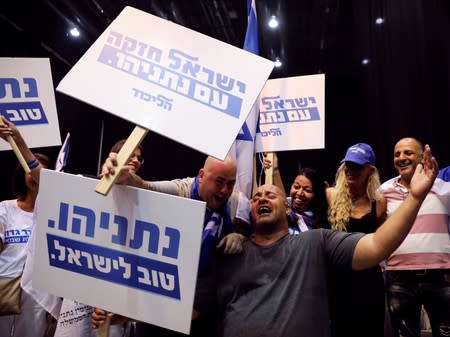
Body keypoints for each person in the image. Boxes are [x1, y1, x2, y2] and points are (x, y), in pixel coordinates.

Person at [93, 143, 438, 337]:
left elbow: (378, 245)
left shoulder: (315, 243)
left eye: (271, 194)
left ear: (286, 208)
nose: (261, 197)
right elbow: (189, 311)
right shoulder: (227, 254)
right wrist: (128, 314)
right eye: (256, 195)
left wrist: (416, 197)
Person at [95, 151, 252, 336]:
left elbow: (251, 230)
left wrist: (240, 237)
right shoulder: (181, 191)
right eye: (219, 181)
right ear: (201, 175)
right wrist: (121, 175)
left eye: (231, 183)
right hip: (159, 310)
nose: (225, 190)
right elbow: (145, 187)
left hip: (204, 316)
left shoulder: (236, 202)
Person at [379, 137, 450, 337]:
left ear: (421, 156)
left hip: (441, 276)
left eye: (408, 153)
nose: (401, 158)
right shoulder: (383, 191)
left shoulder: (443, 186)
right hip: (399, 277)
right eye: (397, 154)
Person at [0, 118, 55, 336]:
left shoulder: (52, 217)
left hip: (37, 295)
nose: (34, 176)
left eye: (41, 173)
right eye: (29, 170)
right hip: (5, 288)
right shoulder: (5, 208)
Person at [326, 143, 387, 337]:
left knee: (370, 329)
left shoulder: (379, 202)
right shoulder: (331, 195)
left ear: (370, 170)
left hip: (369, 279)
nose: (351, 170)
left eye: (357, 166)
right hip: (339, 278)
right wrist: (274, 169)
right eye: (348, 165)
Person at [263, 153, 329, 232]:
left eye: (307, 190)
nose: (299, 193)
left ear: (316, 195)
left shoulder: (319, 226)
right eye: (296, 187)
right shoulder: (284, 209)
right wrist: (273, 168)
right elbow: (282, 198)